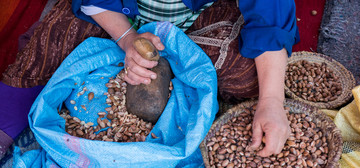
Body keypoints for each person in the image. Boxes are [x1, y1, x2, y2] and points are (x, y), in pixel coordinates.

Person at [71, 0, 300, 157]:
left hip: (198, 15)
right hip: (121, 13)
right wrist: (127, 38)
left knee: (250, 78)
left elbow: (270, 13)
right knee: (51, 50)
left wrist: (271, 100)